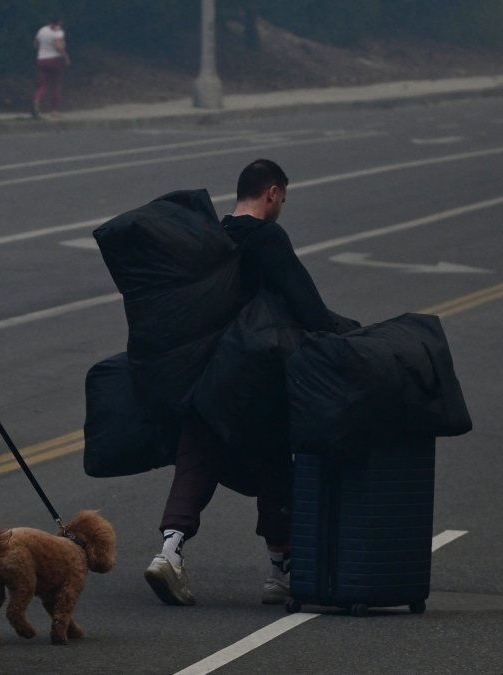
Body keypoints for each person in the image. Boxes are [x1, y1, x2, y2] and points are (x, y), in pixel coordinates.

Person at [144, 158, 357, 607]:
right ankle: (280, 571)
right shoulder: (268, 237)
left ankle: (170, 551)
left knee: (196, 457)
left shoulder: (216, 237)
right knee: (276, 462)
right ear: (273, 194)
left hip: (208, 376)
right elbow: (306, 305)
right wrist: (349, 333)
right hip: (256, 377)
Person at [32, 17, 70, 118]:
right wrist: (66, 57)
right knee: (55, 85)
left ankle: (37, 101)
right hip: (54, 60)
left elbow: (35, 44)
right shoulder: (58, 33)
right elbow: (59, 47)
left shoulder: (42, 30)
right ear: (58, 23)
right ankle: (54, 110)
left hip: (41, 59)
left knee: (43, 85)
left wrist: (43, 50)